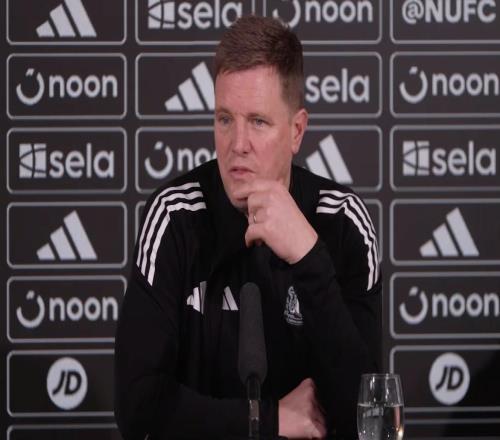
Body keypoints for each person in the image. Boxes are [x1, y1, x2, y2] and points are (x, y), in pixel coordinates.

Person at [115, 15, 381, 440]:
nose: (237, 145)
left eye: (258, 121)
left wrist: (308, 257)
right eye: (225, 119)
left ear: (296, 131)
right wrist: (267, 420)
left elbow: (369, 415)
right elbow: (136, 407)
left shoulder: (342, 222)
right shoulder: (174, 216)